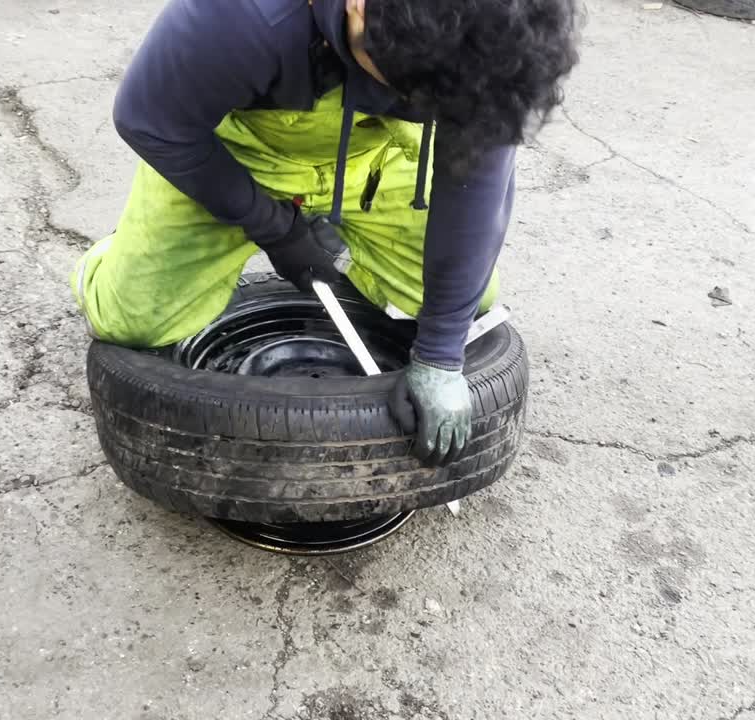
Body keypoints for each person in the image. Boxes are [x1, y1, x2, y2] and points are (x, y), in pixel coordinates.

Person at [72, 0, 579, 466]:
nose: (406, 100)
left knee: (465, 298)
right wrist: (273, 226)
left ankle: (366, 262)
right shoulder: (239, 16)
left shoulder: (494, 33)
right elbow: (149, 121)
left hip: (379, 158)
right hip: (245, 150)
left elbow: (476, 185)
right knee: (129, 321)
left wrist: (441, 355)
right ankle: (115, 259)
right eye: (402, 88)